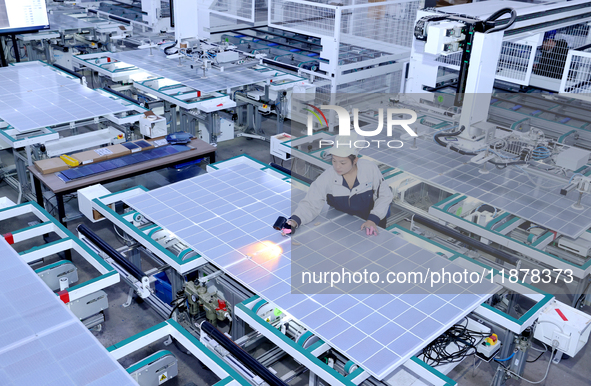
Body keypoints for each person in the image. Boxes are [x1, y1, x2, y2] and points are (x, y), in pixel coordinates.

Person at [285, 134, 394, 236]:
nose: (337, 167)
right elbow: (311, 203)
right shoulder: (328, 177)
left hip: (371, 225)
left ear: (355, 160)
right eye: (334, 161)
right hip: (343, 226)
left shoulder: (369, 169)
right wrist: (294, 221)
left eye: (342, 163)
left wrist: (373, 219)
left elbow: (385, 196)